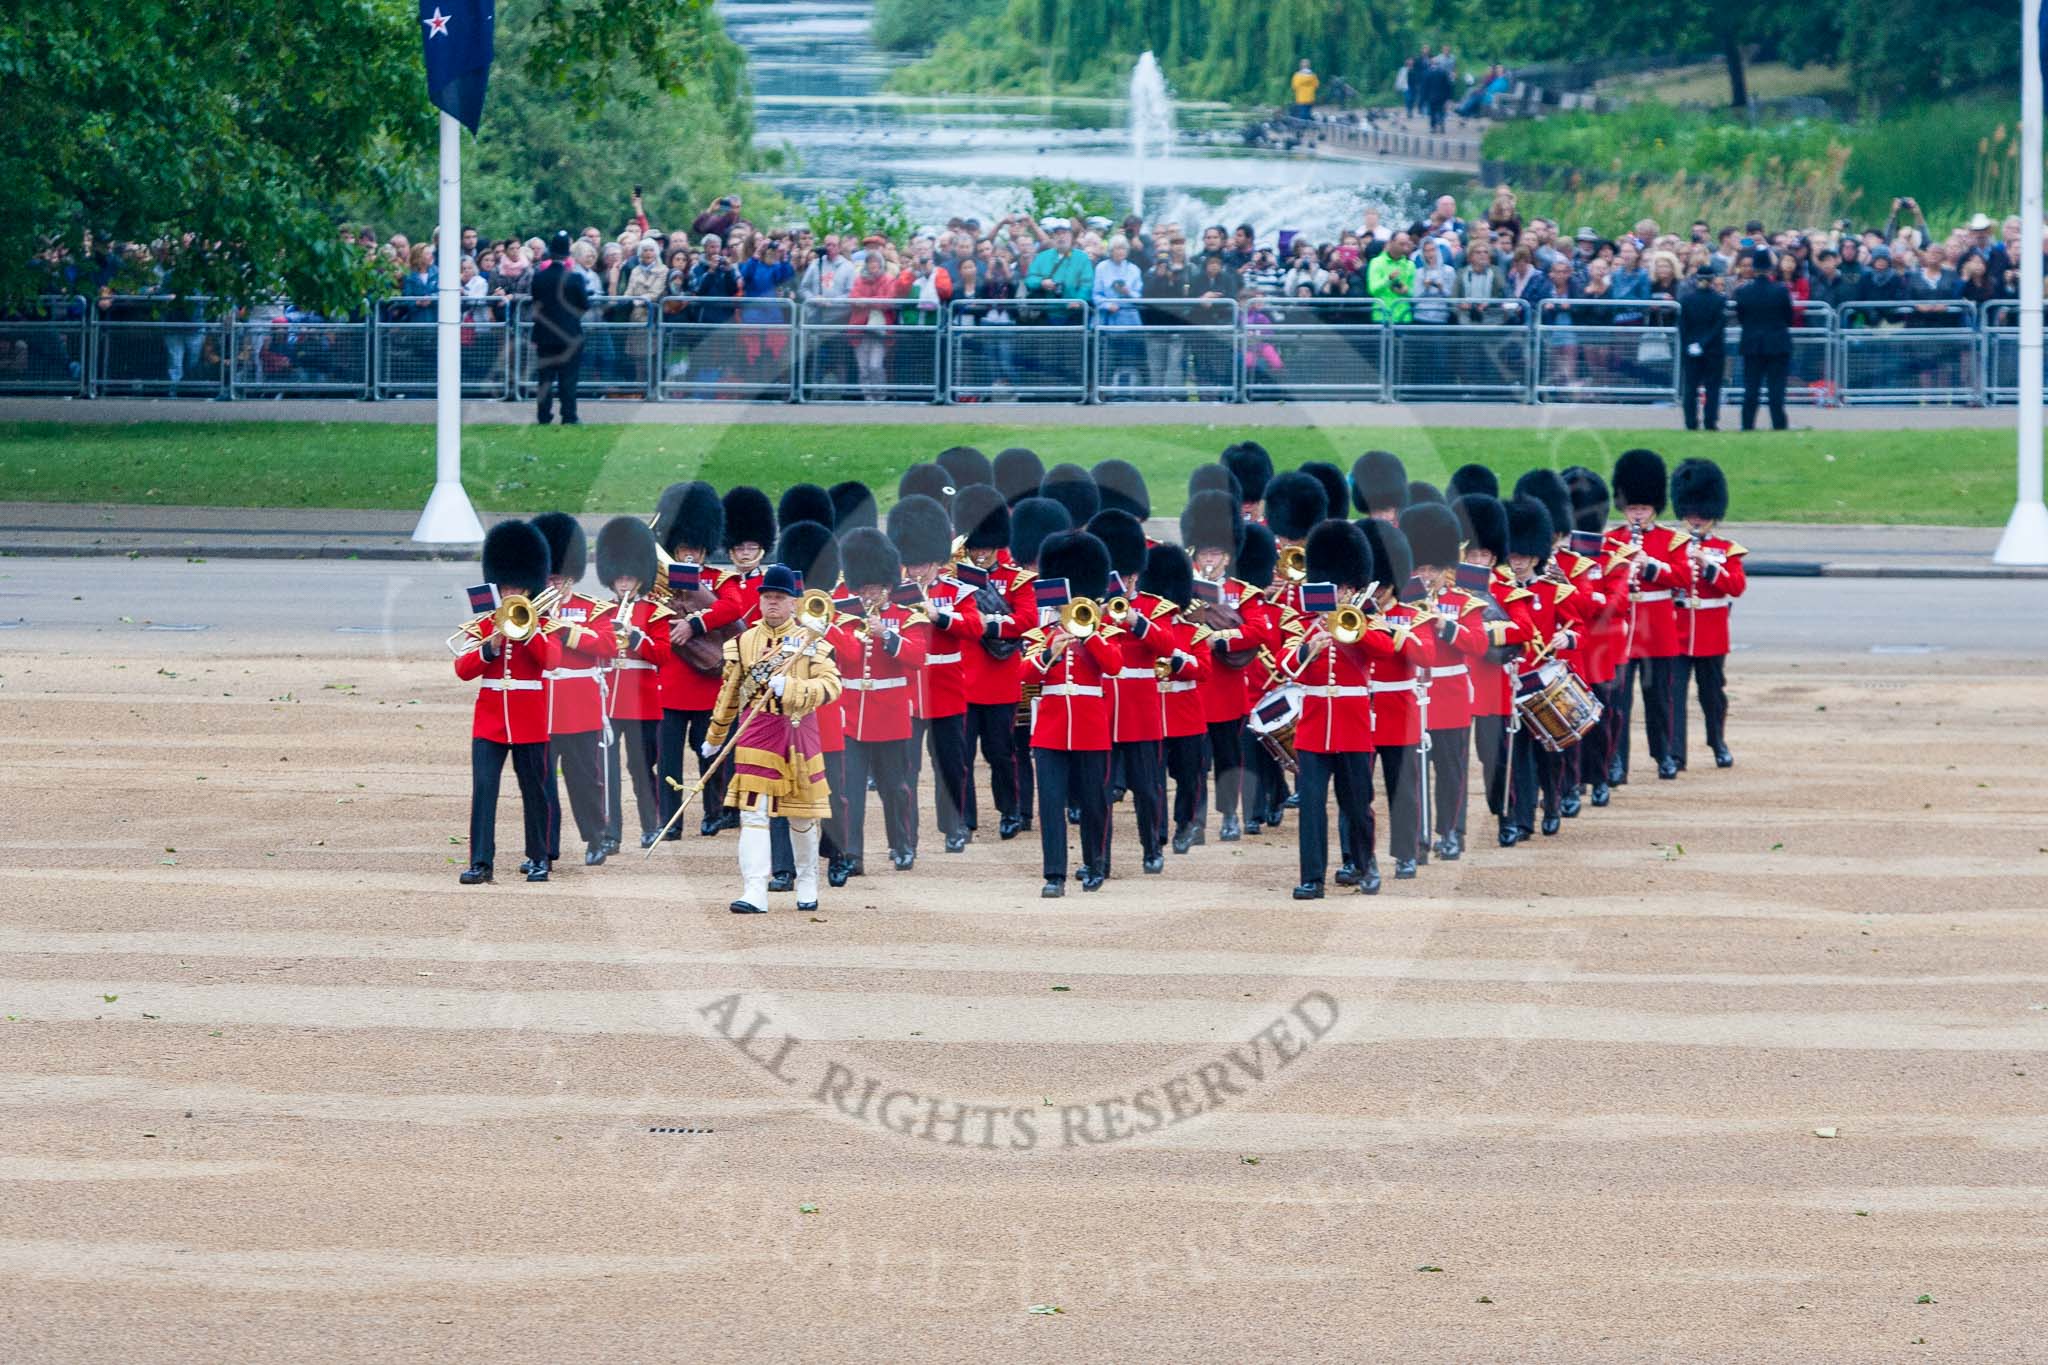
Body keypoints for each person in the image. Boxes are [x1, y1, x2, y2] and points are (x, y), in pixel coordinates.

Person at [703, 563, 842, 914]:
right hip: (757, 731)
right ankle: (754, 890)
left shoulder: (812, 640)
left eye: (779, 598)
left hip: (798, 731)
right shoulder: (743, 642)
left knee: (802, 816)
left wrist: (793, 688)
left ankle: (807, 879)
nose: (771, 604)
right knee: (753, 812)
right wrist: (715, 735)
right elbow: (730, 693)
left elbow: (831, 686)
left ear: (794, 602)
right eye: (766, 597)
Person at [453, 521, 561, 885]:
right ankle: (481, 862)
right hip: (490, 720)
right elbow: (463, 669)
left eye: (517, 586)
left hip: (529, 719)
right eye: (506, 586)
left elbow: (552, 660)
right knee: (484, 789)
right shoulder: (486, 623)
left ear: (530, 586)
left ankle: (539, 858)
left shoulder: (543, 622)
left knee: (535, 792)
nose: (512, 592)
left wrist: (526, 631)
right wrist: (492, 645)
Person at [1025, 530, 1125, 896]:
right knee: (1050, 803)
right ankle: (1054, 874)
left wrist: (1089, 634)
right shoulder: (1043, 631)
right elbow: (1024, 674)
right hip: (1051, 727)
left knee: (1094, 801)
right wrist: (1051, 648)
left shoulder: (1105, 630)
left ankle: (1095, 863)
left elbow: (1113, 666)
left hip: (1089, 725)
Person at [833, 528, 930, 875]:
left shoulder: (908, 619)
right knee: (850, 792)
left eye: (876, 587)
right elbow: (843, 658)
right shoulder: (842, 618)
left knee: (896, 789)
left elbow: (917, 657)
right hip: (852, 715)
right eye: (865, 588)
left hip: (891, 716)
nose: (870, 593)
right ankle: (853, 854)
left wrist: (887, 634)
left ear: (889, 586)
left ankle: (901, 844)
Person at [654, 481, 747, 838]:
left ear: (706, 549)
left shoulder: (718, 579)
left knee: (710, 752)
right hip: (674, 682)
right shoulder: (659, 581)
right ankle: (670, 819)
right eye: (684, 548)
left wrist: (694, 622)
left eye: (696, 548)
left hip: (709, 682)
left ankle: (714, 812)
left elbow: (734, 607)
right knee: (669, 758)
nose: (690, 554)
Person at [526, 512, 618, 869]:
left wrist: (564, 630)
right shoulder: (527, 611)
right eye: (548, 577)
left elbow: (608, 646)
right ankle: (544, 849)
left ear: (571, 576)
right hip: (539, 709)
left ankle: (595, 837)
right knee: (541, 784)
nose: (553, 584)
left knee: (586, 782)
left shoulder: (593, 609)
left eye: (559, 578)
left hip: (579, 709)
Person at [1604, 449, 1693, 784]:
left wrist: (1651, 566)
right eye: (1632, 508)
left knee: (1660, 700)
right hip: (1622, 631)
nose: (1637, 514)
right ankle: (1615, 761)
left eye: (1643, 508)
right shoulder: (1611, 541)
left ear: (1654, 507)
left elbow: (1685, 578)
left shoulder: (1672, 540)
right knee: (1619, 703)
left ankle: (1665, 754)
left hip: (1657, 628)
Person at [594, 516, 670, 852]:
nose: (624, 584)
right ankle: (611, 832)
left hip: (641, 701)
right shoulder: (600, 613)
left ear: (641, 579)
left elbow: (663, 656)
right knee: (607, 772)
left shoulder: (655, 614)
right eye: (620, 578)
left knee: (641, 769)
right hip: (608, 700)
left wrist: (637, 638)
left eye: (630, 578)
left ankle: (651, 825)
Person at [1669, 459, 1746, 772]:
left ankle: (1718, 742)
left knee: (1712, 695)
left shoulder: (1726, 548)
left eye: (1702, 515)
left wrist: (1711, 567)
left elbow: (1736, 586)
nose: (1696, 519)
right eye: (1690, 514)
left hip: (1711, 633)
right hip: (1676, 630)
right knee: (1673, 695)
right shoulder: (1672, 546)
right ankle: (1675, 753)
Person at [529, 231, 590, 425]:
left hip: (545, 334)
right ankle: (569, 415)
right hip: (569, 334)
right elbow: (584, 305)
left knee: (545, 378)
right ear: (567, 254)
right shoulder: (575, 279)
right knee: (568, 378)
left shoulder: (539, 277)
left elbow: (536, 301)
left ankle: (543, 415)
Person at [1733, 249, 1793, 431]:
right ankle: (1779, 424)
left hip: (1752, 344)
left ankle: (1747, 424)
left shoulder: (1743, 292)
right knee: (1776, 389)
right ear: (1770, 268)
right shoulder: (1781, 290)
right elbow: (1788, 316)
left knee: (1751, 388)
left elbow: (1741, 317)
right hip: (1777, 343)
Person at [1677, 264, 1726, 432]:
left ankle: (1691, 422)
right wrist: (1703, 343)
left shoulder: (1686, 299)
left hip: (1691, 350)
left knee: (1691, 388)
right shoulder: (1719, 300)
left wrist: (1691, 345)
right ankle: (1710, 422)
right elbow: (1718, 326)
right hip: (1713, 350)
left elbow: (1683, 327)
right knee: (1712, 388)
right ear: (1713, 280)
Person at [1367, 232, 1416, 323]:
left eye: (1407, 244)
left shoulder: (1410, 265)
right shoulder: (1376, 262)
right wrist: (1389, 279)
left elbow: (1414, 292)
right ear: (1391, 243)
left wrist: (1406, 291)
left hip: (1404, 316)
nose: (1405, 247)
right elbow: (1373, 290)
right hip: (1381, 316)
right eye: (1401, 244)